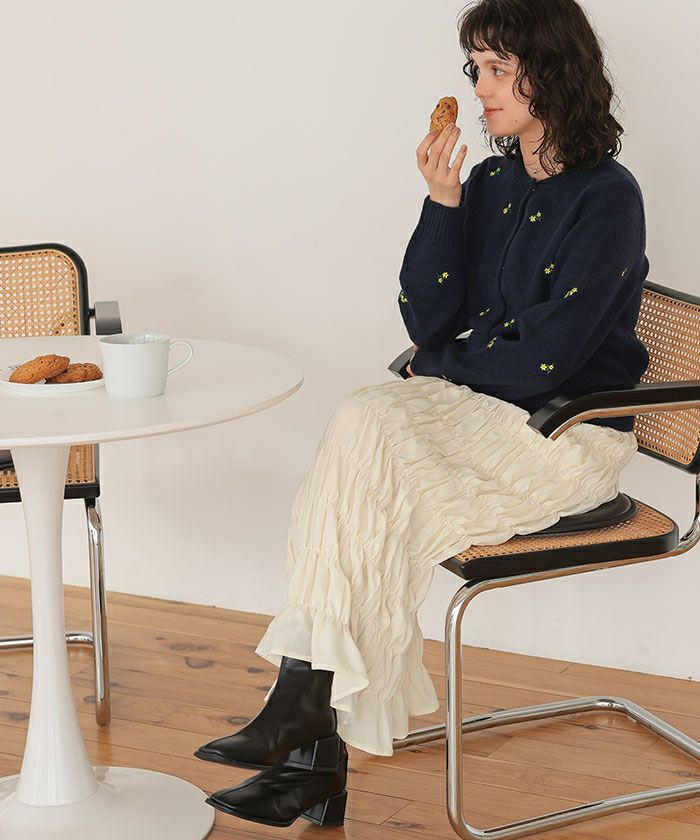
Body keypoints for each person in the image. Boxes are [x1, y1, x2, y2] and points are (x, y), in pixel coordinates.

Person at [193, 0, 649, 828]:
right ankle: (307, 727)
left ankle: (308, 729)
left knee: (369, 448)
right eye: (475, 69)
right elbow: (428, 319)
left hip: (565, 436)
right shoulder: (492, 184)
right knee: (363, 441)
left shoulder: (608, 198)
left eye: (498, 68)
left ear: (551, 72)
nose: (479, 88)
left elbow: (544, 360)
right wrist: (441, 203)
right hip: (483, 417)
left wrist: (439, 364)